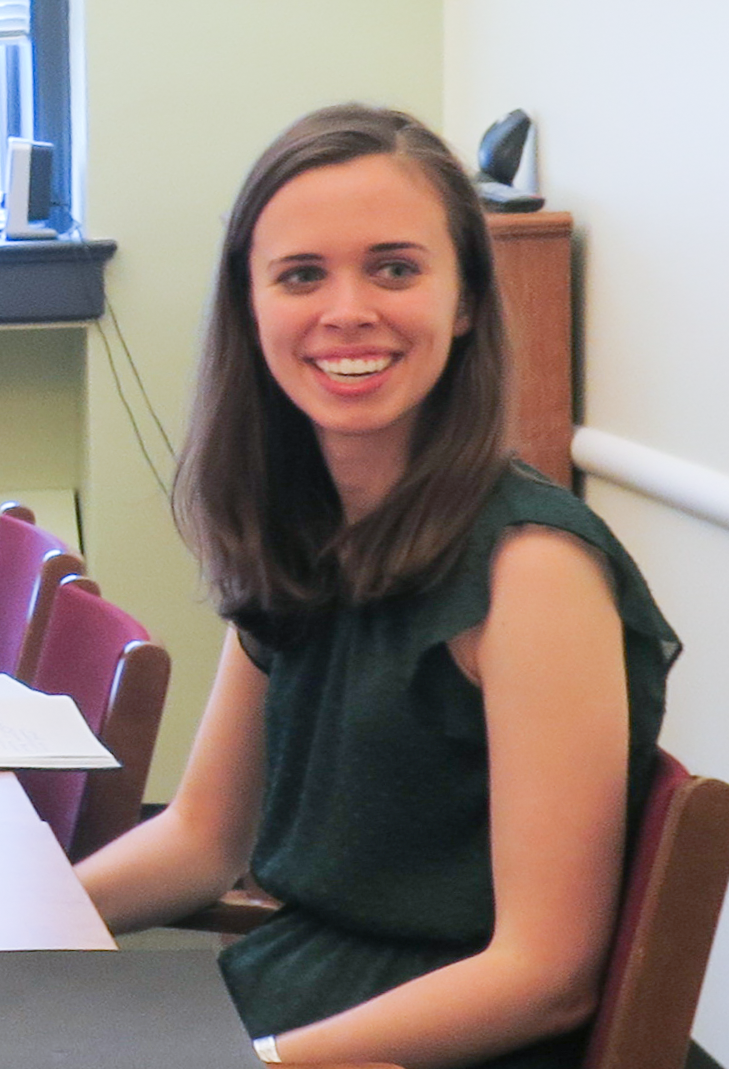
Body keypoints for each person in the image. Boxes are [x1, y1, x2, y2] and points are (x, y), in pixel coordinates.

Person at [75, 105, 677, 1069]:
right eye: (301, 274)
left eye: (394, 268)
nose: (345, 309)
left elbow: (544, 972)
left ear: (467, 299)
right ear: (249, 304)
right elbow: (199, 837)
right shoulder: (304, 529)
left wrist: (261, 1062)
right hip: (297, 999)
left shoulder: (533, 571)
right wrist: (7, 922)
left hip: (446, 1043)